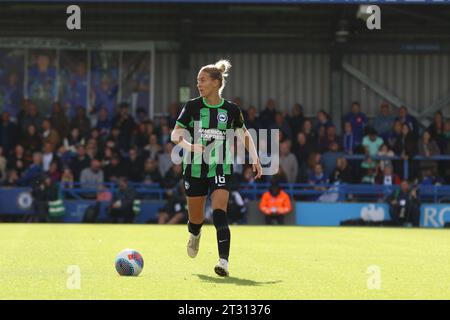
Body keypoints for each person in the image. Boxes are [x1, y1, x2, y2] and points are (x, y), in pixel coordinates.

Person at [171, 59, 262, 277]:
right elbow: (175, 134)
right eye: (197, 81)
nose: (198, 84)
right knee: (196, 219)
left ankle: (223, 262)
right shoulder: (192, 106)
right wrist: (190, 146)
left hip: (221, 165)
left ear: (216, 82)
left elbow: (244, 133)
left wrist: (255, 158)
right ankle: (195, 234)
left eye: (202, 80)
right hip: (194, 167)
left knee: (220, 211)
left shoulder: (231, 109)